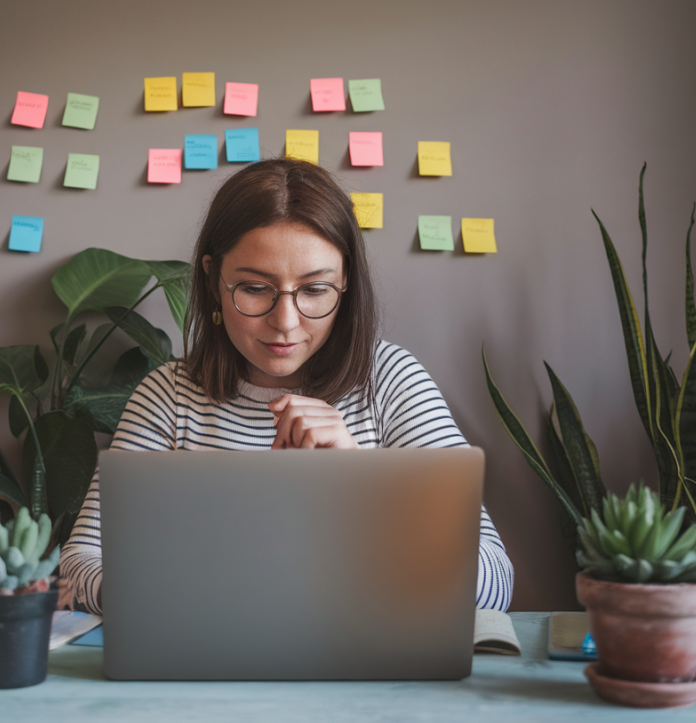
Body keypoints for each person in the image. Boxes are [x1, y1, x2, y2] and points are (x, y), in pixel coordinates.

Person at [60, 158, 514, 614]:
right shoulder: (167, 398)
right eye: (255, 288)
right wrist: (162, 588)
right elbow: (78, 566)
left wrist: (365, 484)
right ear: (212, 278)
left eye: (315, 290)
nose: (286, 323)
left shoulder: (392, 383)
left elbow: (494, 583)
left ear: (346, 283)